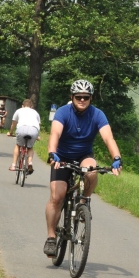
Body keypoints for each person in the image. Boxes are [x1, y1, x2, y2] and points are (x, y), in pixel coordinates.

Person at [43, 80, 122, 257]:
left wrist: (116, 158)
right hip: (61, 156)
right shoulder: (63, 112)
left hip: (83, 155)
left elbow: (108, 138)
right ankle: (50, 237)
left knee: (92, 170)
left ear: (90, 98)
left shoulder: (97, 114)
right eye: (78, 97)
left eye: (86, 97)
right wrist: (52, 153)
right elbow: (55, 133)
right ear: (72, 97)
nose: (82, 100)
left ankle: (84, 201)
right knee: (57, 197)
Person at [8, 99, 41, 173]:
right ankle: (30, 164)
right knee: (30, 148)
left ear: (22, 105)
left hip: (22, 129)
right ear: (31, 106)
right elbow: (38, 125)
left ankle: (13, 165)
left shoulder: (19, 110)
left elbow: (14, 123)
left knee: (18, 145)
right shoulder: (35, 112)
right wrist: (37, 136)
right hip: (34, 130)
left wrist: (10, 132)